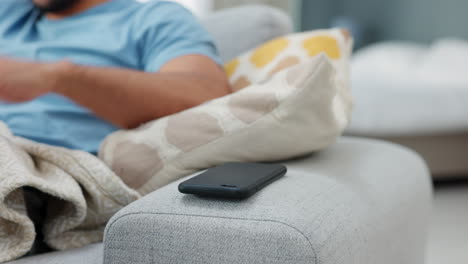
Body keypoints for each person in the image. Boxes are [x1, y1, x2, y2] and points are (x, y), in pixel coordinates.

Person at [0, 0, 230, 154]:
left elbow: (206, 94)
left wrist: (60, 77)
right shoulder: (13, 12)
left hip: (38, 166)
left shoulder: (153, 19)